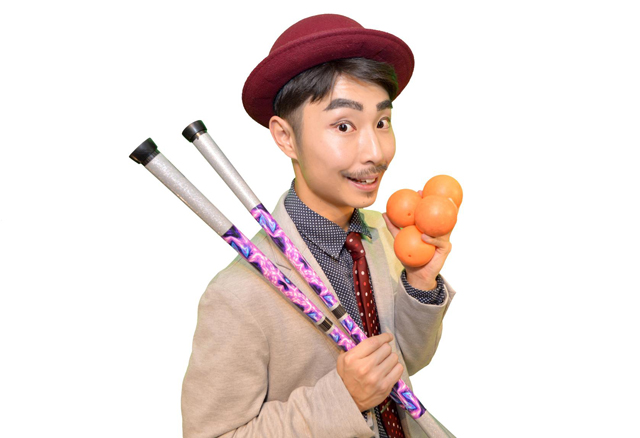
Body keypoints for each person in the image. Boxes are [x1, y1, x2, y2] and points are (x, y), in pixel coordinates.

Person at [182, 14, 456, 438]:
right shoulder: (236, 295)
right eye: (344, 126)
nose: (376, 151)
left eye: (382, 123)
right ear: (285, 137)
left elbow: (400, 365)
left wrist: (420, 284)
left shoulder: (384, 235)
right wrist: (342, 399)